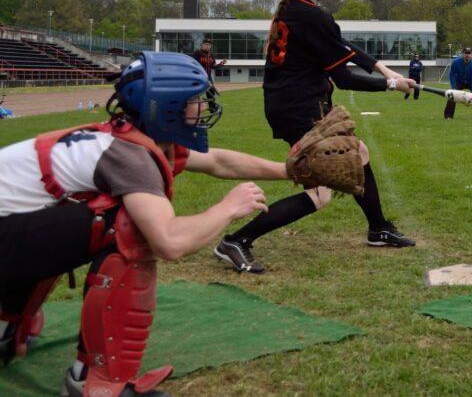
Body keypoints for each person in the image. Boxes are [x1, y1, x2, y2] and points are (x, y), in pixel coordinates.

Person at [0, 51, 285, 397]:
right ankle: (95, 382)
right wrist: (228, 208)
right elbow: (169, 241)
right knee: (125, 226)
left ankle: (6, 325)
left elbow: (219, 161)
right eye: (194, 100)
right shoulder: (129, 156)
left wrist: (289, 171)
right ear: (166, 106)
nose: (202, 107)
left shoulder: (127, 139)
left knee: (86, 215)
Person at [214, 0, 418, 275]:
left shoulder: (296, 7)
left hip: (293, 104)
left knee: (358, 153)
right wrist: (393, 85)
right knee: (321, 191)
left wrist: (382, 67)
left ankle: (378, 228)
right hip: (300, 109)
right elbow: (344, 78)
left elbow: (341, 46)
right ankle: (237, 240)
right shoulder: (310, 15)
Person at [444, 47, 472, 119]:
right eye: (466, 53)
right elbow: (452, 74)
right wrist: (453, 87)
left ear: (471, 55)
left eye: (469, 53)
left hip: (471, 82)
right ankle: (448, 116)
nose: (467, 55)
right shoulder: (456, 62)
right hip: (459, 81)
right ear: (463, 54)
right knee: (451, 95)